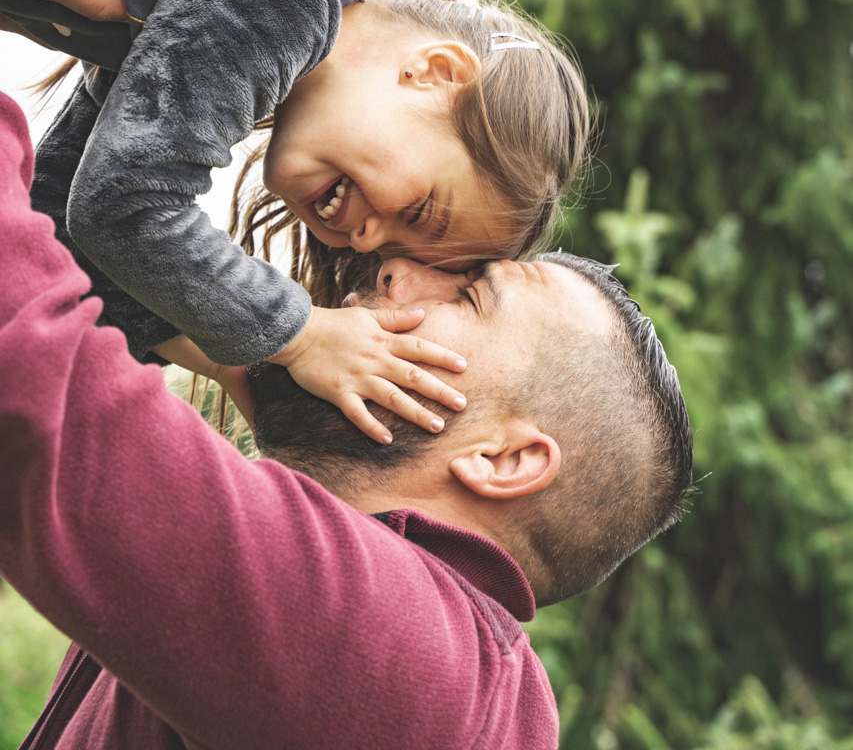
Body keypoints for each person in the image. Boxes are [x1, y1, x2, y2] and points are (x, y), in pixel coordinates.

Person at [0, 89, 693, 749]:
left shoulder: (411, 657)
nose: (396, 268)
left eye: (471, 296)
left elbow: (33, 377)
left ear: (503, 460)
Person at [0, 0, 590, 443]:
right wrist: (301, 336)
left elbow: (63, 226)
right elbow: (124, 206)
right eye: (419, 213)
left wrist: (242, 369)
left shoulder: (225, 10)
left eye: (385, 251)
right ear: (434, 73)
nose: (365, 237)